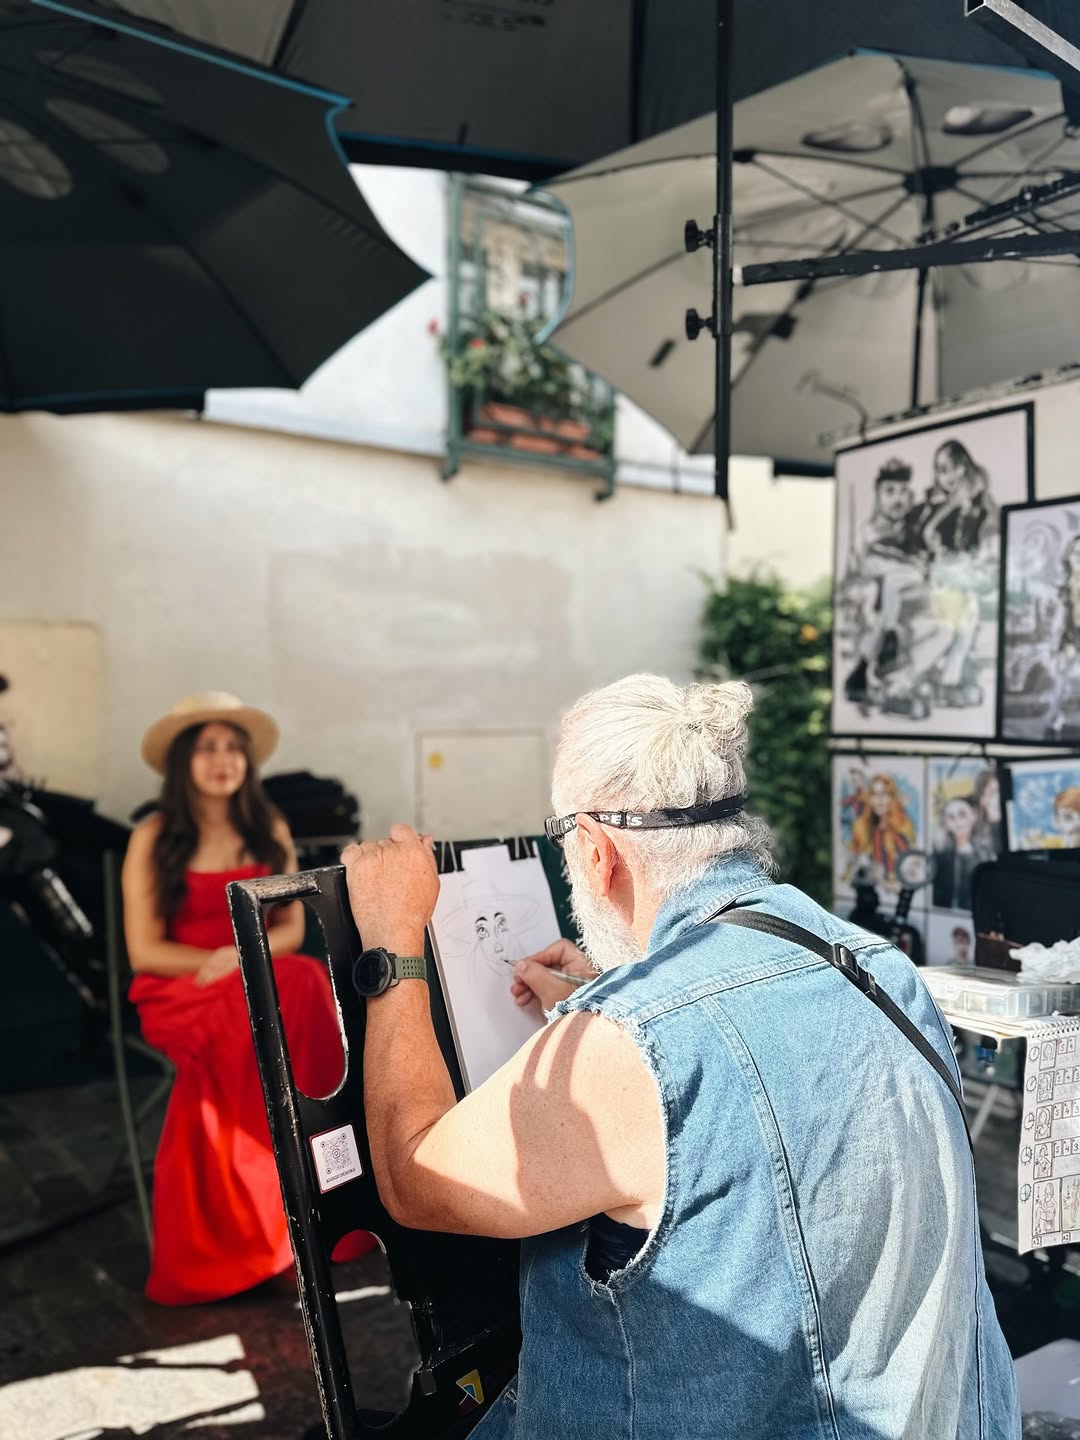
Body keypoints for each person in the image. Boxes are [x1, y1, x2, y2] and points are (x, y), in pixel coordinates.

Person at [342, 674, 1019, 1439]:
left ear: (596, 854)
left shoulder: (630, 1042)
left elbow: (414, 1177)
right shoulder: (876, 968)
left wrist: (394, 944)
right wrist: (626, 991)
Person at [122, 692, 372, 1305]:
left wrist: (241, 956)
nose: (222, 759)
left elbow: (289, 927)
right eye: (207, 747)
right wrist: (220, 963)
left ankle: (316, 1203)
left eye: (234, 747)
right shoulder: (153, 836)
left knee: (307, 980)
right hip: (180, 987)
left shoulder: (269, 827)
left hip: (255, 969)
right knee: (260, 1004)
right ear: (183, 762)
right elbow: (144, 951)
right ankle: (246, 1234)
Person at [850, 772, 916, 891]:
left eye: (884, 794)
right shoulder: (861, 826)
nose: (879, 800)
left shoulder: (904, 826)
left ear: (892, 797)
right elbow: (857, 862)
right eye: (875, 794)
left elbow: (912, 864)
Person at [932, 794, 992, 912]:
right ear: (946, 822)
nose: (957, 821)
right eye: (951, 817)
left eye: (962, 815)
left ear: (973, 816)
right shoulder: (940, 854)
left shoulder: (986, 853)